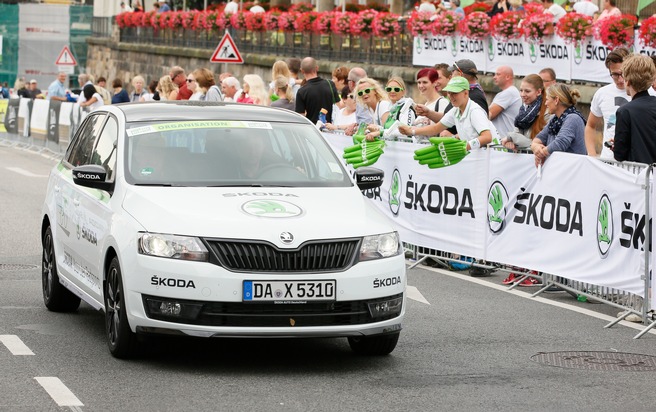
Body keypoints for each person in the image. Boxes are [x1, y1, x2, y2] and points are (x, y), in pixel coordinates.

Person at [399, 77, 499, 151]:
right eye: (449, 93)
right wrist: (411, 131)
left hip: (493, 158)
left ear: (466, 93)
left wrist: (464, 147)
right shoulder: (455, 110)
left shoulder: (475, 111)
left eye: (455, 93)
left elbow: (487, 137)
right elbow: (435, 129)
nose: (451, 96)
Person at [584, 47, 630, 159]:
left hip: (634, 163)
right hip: (608, 161)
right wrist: (592, 155)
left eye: (622, 74)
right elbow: (590, 125)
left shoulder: (646, 92)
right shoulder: (602, 93)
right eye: (615, 75)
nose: (619, 79)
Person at [612, 55, 656, 164]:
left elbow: (619, 154)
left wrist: (615, 145)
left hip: (638, 176)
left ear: (628, 81)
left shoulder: (625, 111)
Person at [531, 83, 587, 167]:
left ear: (556, 100)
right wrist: (535, 147)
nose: (545, 103)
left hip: (572, 170)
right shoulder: (554, 120)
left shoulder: (573, 118)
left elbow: (560, 143)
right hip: (560, 169)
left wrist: (541, 153)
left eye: (547, 99)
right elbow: (538, 139)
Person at [501, 74, 549, 151]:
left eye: (527, 91)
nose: (523, 94)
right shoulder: (523, 110)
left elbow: (537, 145)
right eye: (521, 90)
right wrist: (512, 142)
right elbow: (516, 134)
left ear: (539, 92)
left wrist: (512, 138)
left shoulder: (548, 113)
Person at [369, 77, 416, 141]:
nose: (392, 91)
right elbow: (388, 130)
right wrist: (376, 128)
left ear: (403, 92)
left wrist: (380, 132)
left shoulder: (407, 109)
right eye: (389, 89)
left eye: (396, 89)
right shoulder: (392, 109)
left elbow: (405, 132)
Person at [295, 57, 339, 123]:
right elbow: (339, 105)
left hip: (312, 129)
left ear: (302, 71)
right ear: (317, 68)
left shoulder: (301, 91)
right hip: (329, 128)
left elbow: (301, 117)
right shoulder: (330, 84)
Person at [489, 66, 521, 137]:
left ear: (507, 77)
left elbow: (489, 115)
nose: (494, 77)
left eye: (498, 74)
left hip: (504, 142)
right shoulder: (508, 92)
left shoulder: (509, 92)